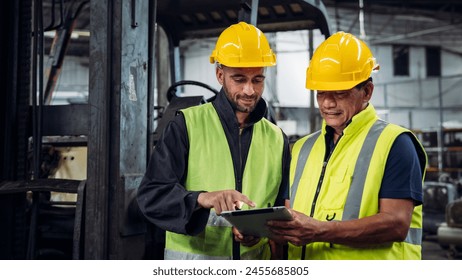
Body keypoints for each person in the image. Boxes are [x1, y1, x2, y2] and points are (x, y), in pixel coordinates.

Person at [136, 22, 290, 260]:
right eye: (239, 79)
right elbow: (152, 197)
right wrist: (201, 198)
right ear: (220, 75)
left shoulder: (277, 138)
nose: (250, 90)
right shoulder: (186, 125)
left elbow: (280, 207)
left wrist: (257, 232)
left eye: (257, 79)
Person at [268, 31, 427, 260]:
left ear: (367, 92)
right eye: (321, 93)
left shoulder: (396, 143)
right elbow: (289, 217)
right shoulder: (302, 148)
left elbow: (396, 224)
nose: (327, 103)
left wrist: (319, 230)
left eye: (340, 93)